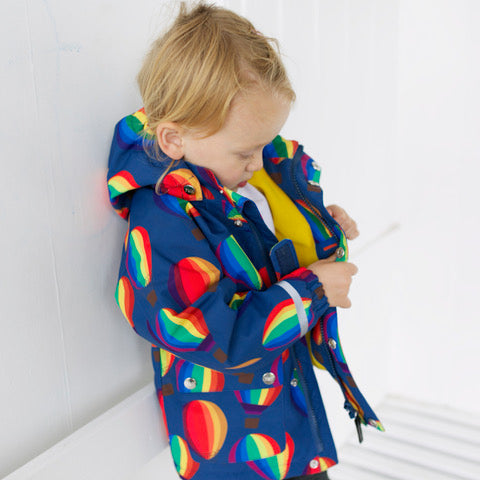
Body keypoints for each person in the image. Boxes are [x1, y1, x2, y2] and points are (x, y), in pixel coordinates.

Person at [107, 3, 383, 480]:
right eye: (245, 151)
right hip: (236, 453)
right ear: (173, 139)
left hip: (287, 424)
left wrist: (324, 227)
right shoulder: (163, 222)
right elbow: (215, 335)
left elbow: (269, 257)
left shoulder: (237, 180)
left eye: (265, 144)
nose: (257, 162)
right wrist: (314, 290)